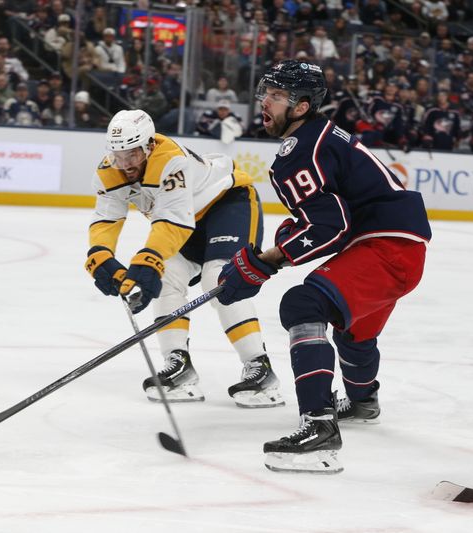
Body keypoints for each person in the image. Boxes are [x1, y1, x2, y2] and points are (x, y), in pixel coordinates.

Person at [216, 60, 431, 474]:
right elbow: (325, 214)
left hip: (386, 247)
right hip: (397, 244)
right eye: (266, 93)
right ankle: (364, 401)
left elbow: (331, 226)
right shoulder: (319, 136)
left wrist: (267, 263)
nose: (265, 102)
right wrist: (267, 256)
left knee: (303, 305)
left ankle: (318, 427)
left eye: (276, 96)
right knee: (353, 332)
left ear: (300, 107)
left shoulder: (300, 150)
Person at [84, 109, 284, 408]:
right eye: (118, 156)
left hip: (226, 205)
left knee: (219, 278)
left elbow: (173, 221)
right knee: (166, 280)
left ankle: (260, 367)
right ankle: (178, 365)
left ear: (149, 145)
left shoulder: (169, 159)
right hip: (182, 221)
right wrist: (100, 256)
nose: (125, 165)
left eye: (132, 155)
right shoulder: (109, 170)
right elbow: (106, 219)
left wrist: (145, 260)